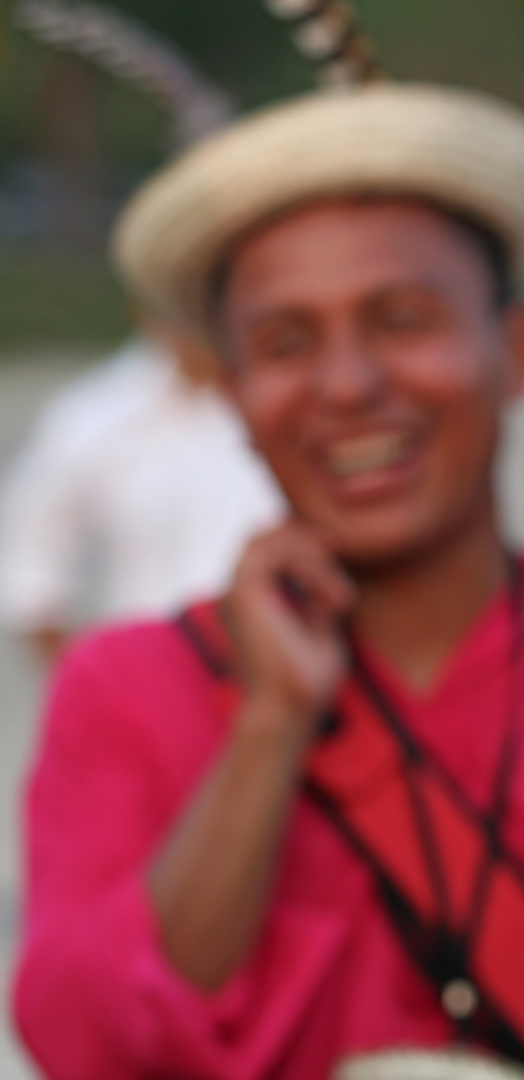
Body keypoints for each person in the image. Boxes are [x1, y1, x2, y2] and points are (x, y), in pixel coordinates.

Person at [13, 29, 524, 1080]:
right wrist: (271, 724)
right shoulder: (126, 695)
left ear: (517, 352)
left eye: (403, 319)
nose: (347, 385)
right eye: (285, 343)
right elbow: (87, 1044)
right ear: (232, 394)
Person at [0, 0, 278, 668]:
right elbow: (31, 574)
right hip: (161, 713)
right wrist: (114, 700)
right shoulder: (96, 417)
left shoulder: (297, 403)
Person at [0, 318, 281, 666]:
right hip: (153, 681)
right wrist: (87, 684)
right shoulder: (96, 413)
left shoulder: (285, 396)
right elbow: (30, 556)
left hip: (302, 686)